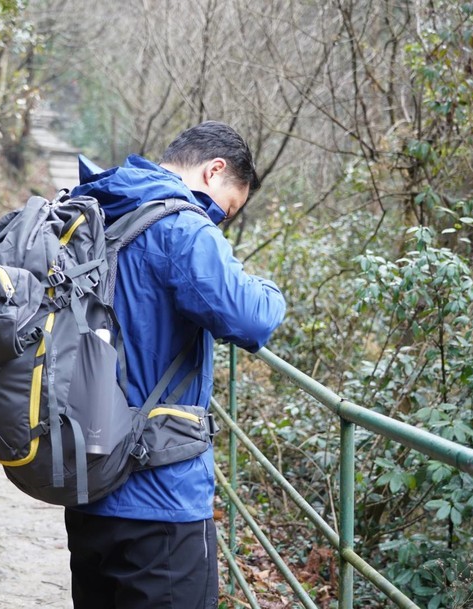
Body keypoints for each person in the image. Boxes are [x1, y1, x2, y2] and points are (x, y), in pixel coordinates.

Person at [64, 121, 287, 608]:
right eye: (225, 210)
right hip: (160, 497)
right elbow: (249, 318)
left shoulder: (96, 207)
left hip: (88, 481)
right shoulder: (180, 225)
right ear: (214, 170)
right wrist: (271, 291)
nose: (218, 222)